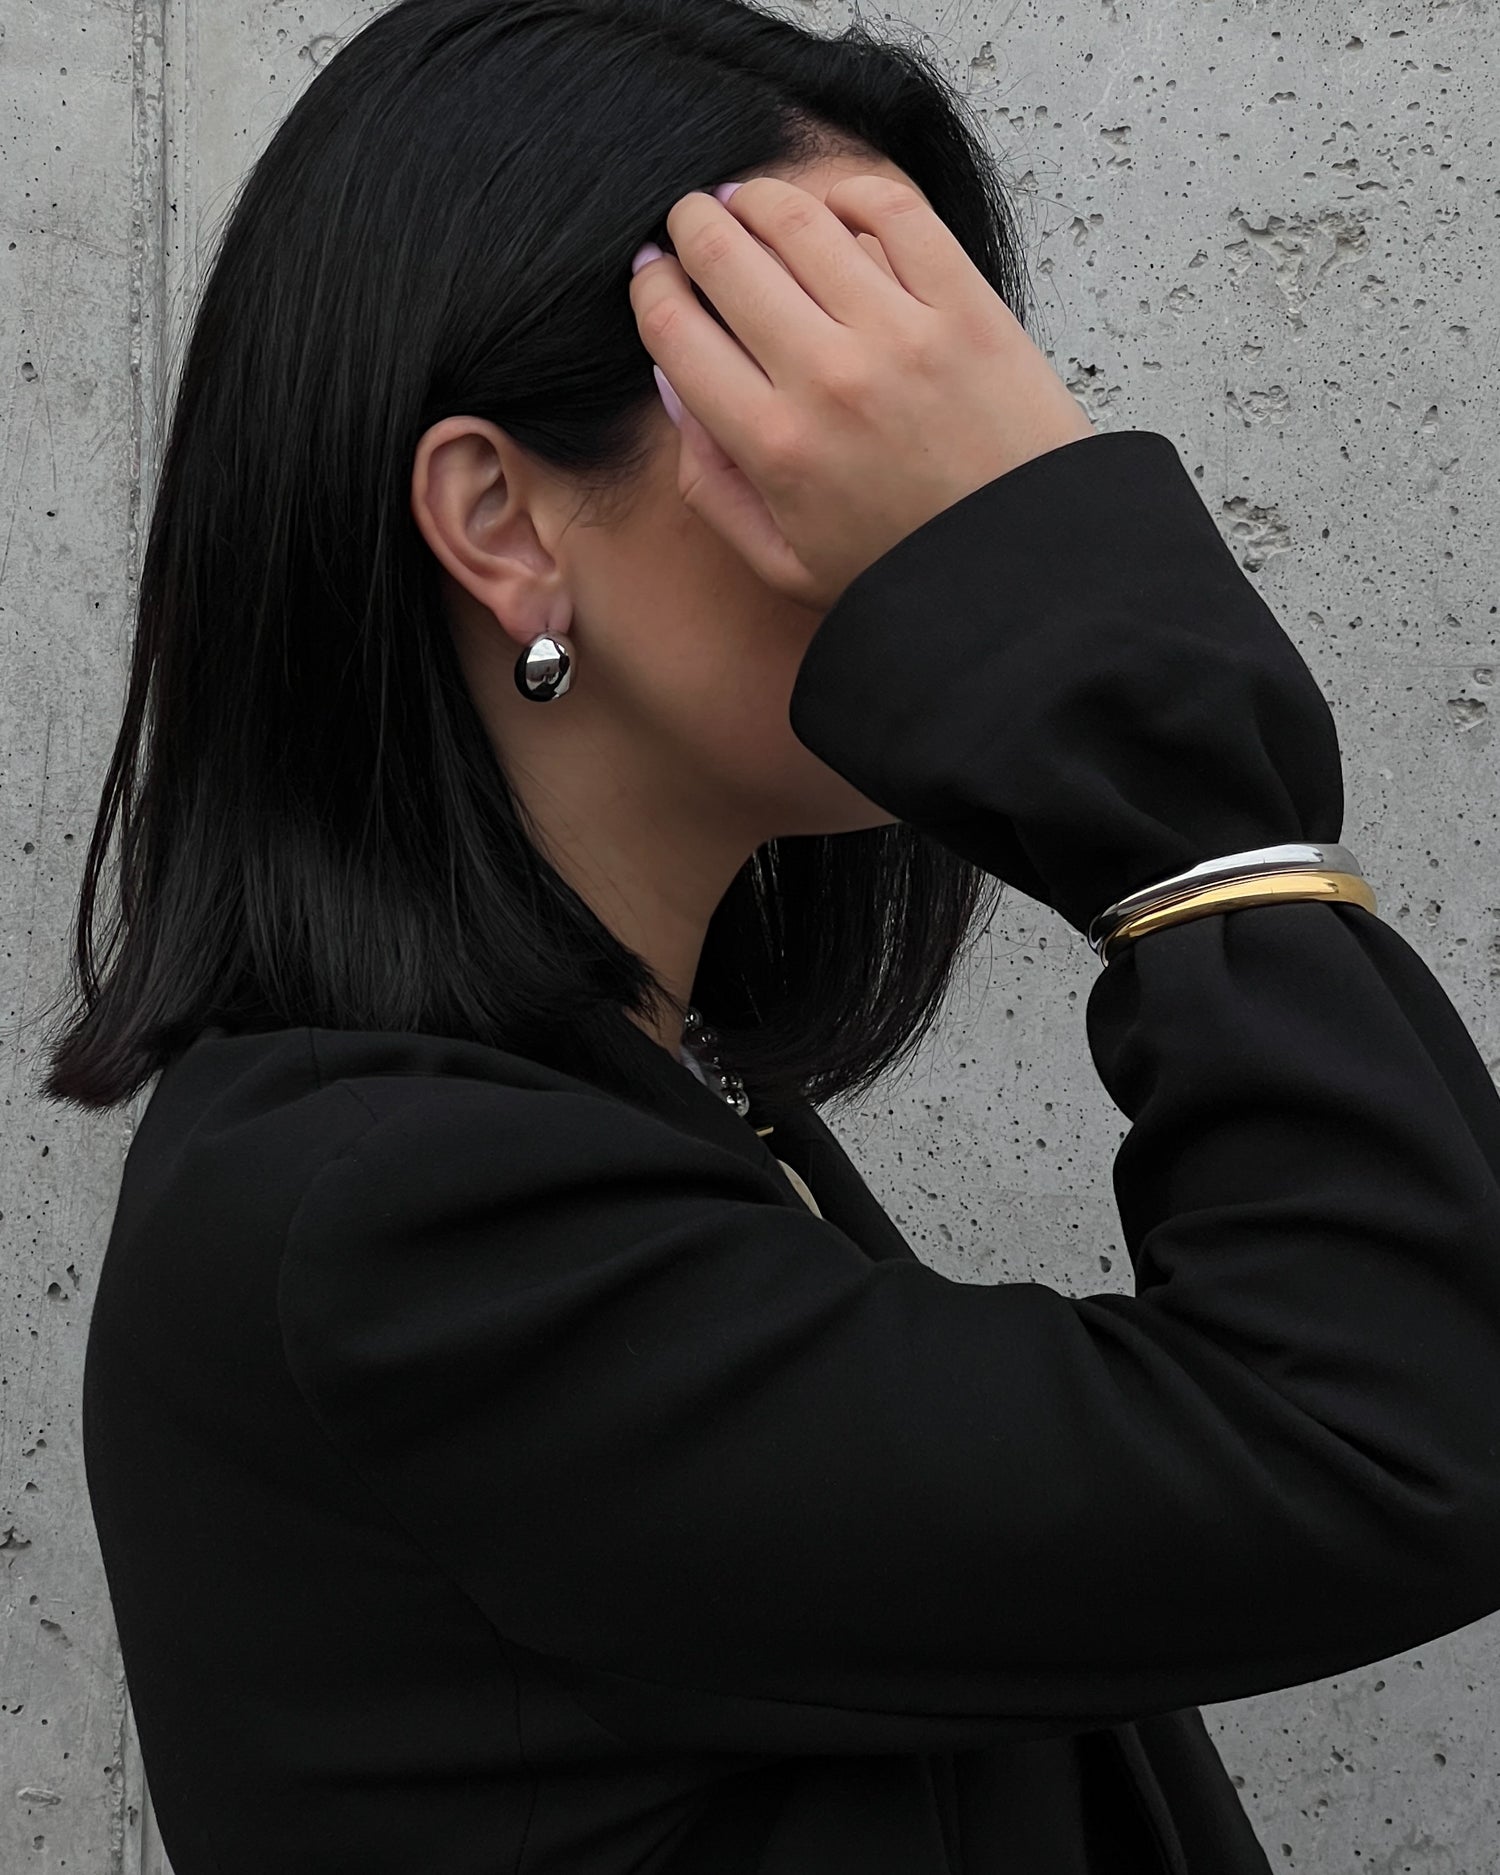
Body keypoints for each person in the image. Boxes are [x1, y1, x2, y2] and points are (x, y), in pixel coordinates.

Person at [39, 1, 1500, 1870]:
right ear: (503, 520)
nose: (956, 492)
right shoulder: (393, 1233)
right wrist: (1145, 739)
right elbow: (1403, 1428)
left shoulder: (617, 1100)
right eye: (813, 393)